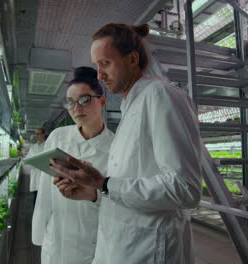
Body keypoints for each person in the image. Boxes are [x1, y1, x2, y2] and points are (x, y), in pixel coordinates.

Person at [51, 24, 203, 264]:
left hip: (149, 251)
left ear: (132, 59)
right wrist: (94, 192)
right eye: (96, 66)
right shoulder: (131, 105)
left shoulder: (160, 96)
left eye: (106, 64)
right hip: (121, 249)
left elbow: (185, 189)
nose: (99, 75)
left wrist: (104, 183)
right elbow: (131, 186)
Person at [31, 67, 114, 264]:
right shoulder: (59, 137)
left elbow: (120, 199)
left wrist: (93, 195)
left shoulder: (116, 147)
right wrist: (39, 235)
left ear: (102, 101)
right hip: (57, 238)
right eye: (70, 102)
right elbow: (44, 192)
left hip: (93, 240)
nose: (77, 108)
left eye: (85, 100)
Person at [25, 128, 47, 198]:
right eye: (35, 134)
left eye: (38, 134)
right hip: (35, 174)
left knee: (45, 196)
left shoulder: (48, 145)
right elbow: (28, 160)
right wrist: (23, 156)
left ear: (43, 134)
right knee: (35, 197)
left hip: (45, 174)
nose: (36, 136)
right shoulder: (33, 147)